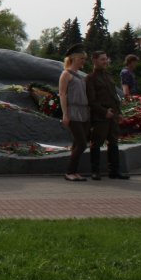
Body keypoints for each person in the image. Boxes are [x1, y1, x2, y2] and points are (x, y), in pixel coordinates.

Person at [85, 51, 130, 180]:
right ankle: (95, 171)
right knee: (96, 143)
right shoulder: (90, 78)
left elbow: (114, 96)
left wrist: (119, 113)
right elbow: (91, 100)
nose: (105, 62)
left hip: (113, 115)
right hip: (100, 117)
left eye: (106, 59)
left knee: (114, 142)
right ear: (94, 61)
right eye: (102, 59)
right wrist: (104, 112)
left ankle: (114, 171)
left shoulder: (108, 75)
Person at [59, 44, 90, 181]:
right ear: (74, 58)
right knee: (82, 143)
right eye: (81, 58)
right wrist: (65, 114)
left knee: (78, 143)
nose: (84, 61)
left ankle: (74, 171)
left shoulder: (80, 75)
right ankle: (69, 172)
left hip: (84, 112)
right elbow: (62, 94)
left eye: (84, 58)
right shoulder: (66, 74)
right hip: (73, 111)